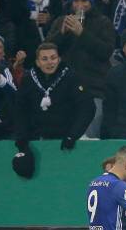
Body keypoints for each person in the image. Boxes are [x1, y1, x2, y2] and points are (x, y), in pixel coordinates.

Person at [12, 43, 94, 179]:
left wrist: (72, 135)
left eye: (53, 58)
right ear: (38, 62)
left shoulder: (71, 77)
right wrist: (22, 141)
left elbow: (87, 107)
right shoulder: (28, 79)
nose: (49, 62)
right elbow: (20, 111)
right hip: (39, 141)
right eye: (44, 59)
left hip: (69, 141)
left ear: (59, 59)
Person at [46, 0, 115, 139]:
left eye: (85, 1)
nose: (80, 5)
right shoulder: (61, 21)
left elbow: (106, 51)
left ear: (92, 2)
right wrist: (61, 34)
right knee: (62, 139)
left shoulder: (103, 22)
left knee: (88, 141)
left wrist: (82, 34)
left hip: (93, 91)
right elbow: (46, 51)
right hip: (64, 92)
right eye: (76, 1)